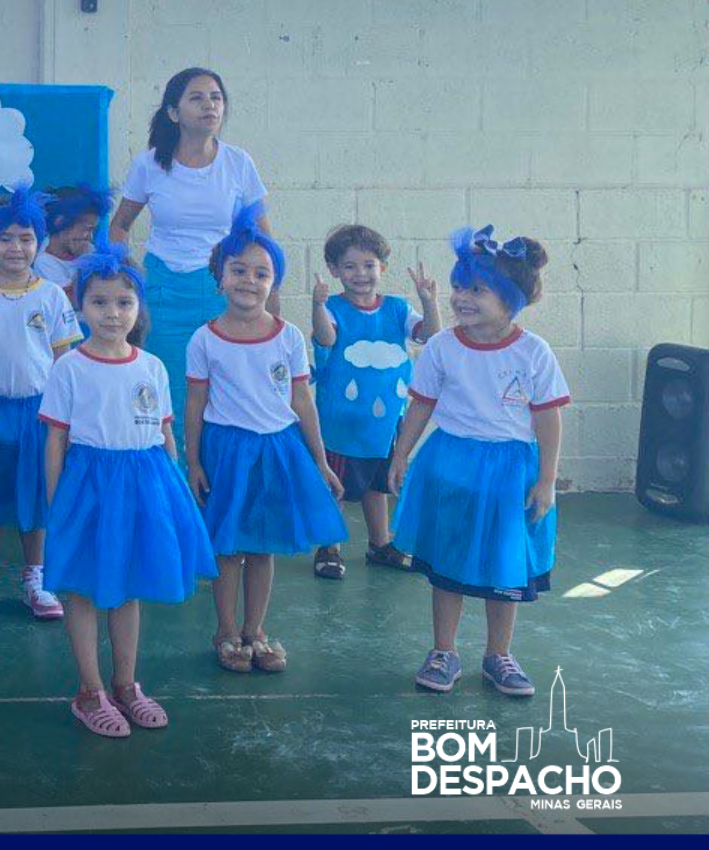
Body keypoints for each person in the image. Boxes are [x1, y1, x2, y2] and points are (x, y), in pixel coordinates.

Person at [40, 241, 215, 738]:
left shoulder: (151, 366)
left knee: (127, 586)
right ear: (80, 307)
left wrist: (170, 495)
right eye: (99, 302)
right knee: (82, 588)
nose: (112, 313)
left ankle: (125, 684)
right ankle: (89, 690)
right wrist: (57, 504)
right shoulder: (69, 367)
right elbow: (55, 441)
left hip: (143, 485)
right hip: (88, 487)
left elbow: (164, 436)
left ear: (139, 307)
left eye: (123, 302)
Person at [390, 227, 567, 699]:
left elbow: (548, 418)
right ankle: (443, 650)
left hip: (510, 473)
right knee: (447, 562)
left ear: (510, 299)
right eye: (458, 287)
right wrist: (401, 453)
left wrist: (547, 479)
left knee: (504, 565)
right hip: (451, 465)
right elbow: (421, 404)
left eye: (476, 290)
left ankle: (498, 655)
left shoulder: (534, 352)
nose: (461, 298)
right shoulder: (442, 347)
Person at [185, 206, 346, 676]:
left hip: (278, 452)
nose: (249, 281)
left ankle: (255, 630)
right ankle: (226, 631)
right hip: (226, 452)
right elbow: (195, 404)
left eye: (261, 273)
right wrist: (194, 462)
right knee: (228, 548)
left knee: (262, 547)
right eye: (238, 270)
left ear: (274, 283)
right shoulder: (204, 339)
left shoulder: (288, 337)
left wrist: (320, 461)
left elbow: (303, 401)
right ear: (219, 278)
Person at [111, 68, 275, 457]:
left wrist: (269, 298)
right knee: (171, 396)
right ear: (173, 112)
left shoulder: (238, 163)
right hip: (165, 294)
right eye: (197, 98)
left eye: (216, 97)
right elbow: (118, 226)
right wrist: (130, 273)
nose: (209, 105)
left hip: (224, 295)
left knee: (226, 395)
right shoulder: (149, 165)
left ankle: (217, 482)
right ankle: (177, 484)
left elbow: (263, 240)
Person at [0, 186, 80, 620]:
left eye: (26, 238)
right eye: (5, 238)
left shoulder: (52, 295)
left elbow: (64, 362)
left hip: (38, 414)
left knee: (36, 493)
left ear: (39, 241)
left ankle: (37, 576)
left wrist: (66, 420)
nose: (16, 248)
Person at [308, 225, 441, 580]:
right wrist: (317, 304)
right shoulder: (333, 308)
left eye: (368, 265)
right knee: (335, 486)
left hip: (384, 424)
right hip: (340, 424)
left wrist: (429, 301)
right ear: (334, 270)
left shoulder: (397, 308)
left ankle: (380, 544)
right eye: (349, 266)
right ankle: (329, 547)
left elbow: (430, 334)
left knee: (377, 485)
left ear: (382, 267)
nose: (360, 274)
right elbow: (325, 337)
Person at [33, 184, 111, 289]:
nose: (90, 237)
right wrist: (86, 262)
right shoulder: (44, 263)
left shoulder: (87, 250)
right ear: (60, 222)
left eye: (93, 230)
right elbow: (72, 296)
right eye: (87, 229)